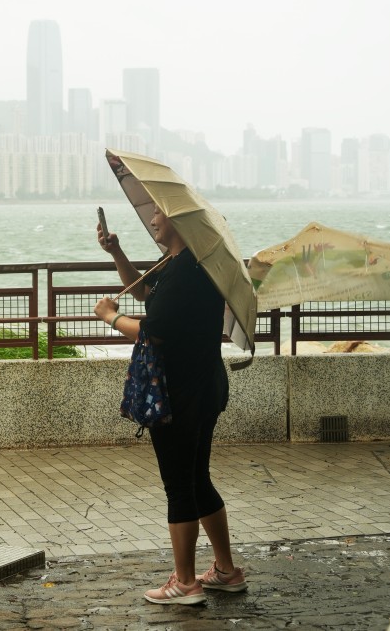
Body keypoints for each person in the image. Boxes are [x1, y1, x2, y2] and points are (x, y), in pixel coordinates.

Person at [94, 207, 246, 605]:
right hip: (205, 385)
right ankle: (226, 571)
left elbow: (153, 333)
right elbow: (145, 293)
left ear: (179, 222)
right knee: (197, 478)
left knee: (179, 485)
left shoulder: (185, 274)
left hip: (179, 393)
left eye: (159, 214)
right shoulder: (185, 264)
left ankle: (185, 582)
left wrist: (111, 317)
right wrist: (117, 253)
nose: (154, 220)